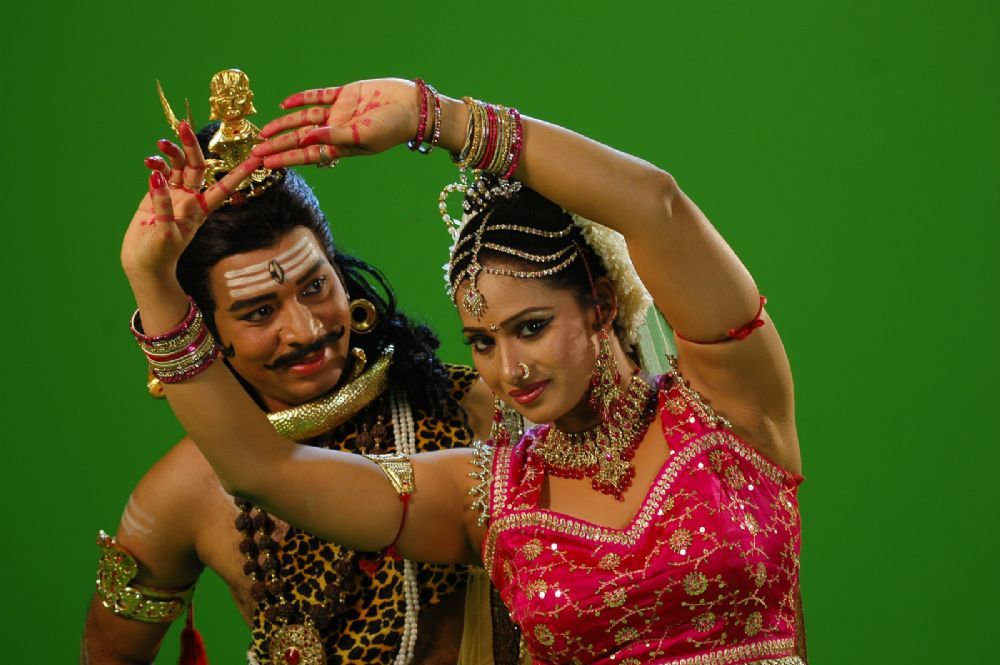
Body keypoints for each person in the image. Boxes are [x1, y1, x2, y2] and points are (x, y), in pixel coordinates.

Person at [119, 76, 806, 665]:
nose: (510, 369)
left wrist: (438, 118)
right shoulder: (489, 495)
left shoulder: (727, 407)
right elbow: (262, 469)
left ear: (599, 303)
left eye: (531, 327)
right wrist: (152, 282)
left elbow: (656, 205)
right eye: (481, 341)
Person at [84, 72, 497, 665]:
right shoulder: (188, 489)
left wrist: (441, 118)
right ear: (207, 334)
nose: (304, 330)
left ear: (342, 275)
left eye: (315, 287)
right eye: (259, 312)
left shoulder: (475, 410)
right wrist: (150, 277)